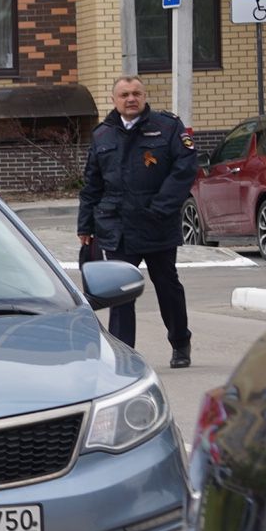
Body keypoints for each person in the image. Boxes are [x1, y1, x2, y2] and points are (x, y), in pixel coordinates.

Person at [77, 76, 196, 367]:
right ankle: (123, 354)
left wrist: (161, 207)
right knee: (120, 294)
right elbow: (92, 183)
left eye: (136, 94)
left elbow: (184, 170)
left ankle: (180, 342)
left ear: (144, 97)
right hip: (116, 226)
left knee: (167, 287)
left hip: (157, 223)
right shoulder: (102, 134)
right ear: (114, 99)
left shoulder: (167, 128)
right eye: (124, 94)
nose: (131, 99)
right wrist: (85, 225)